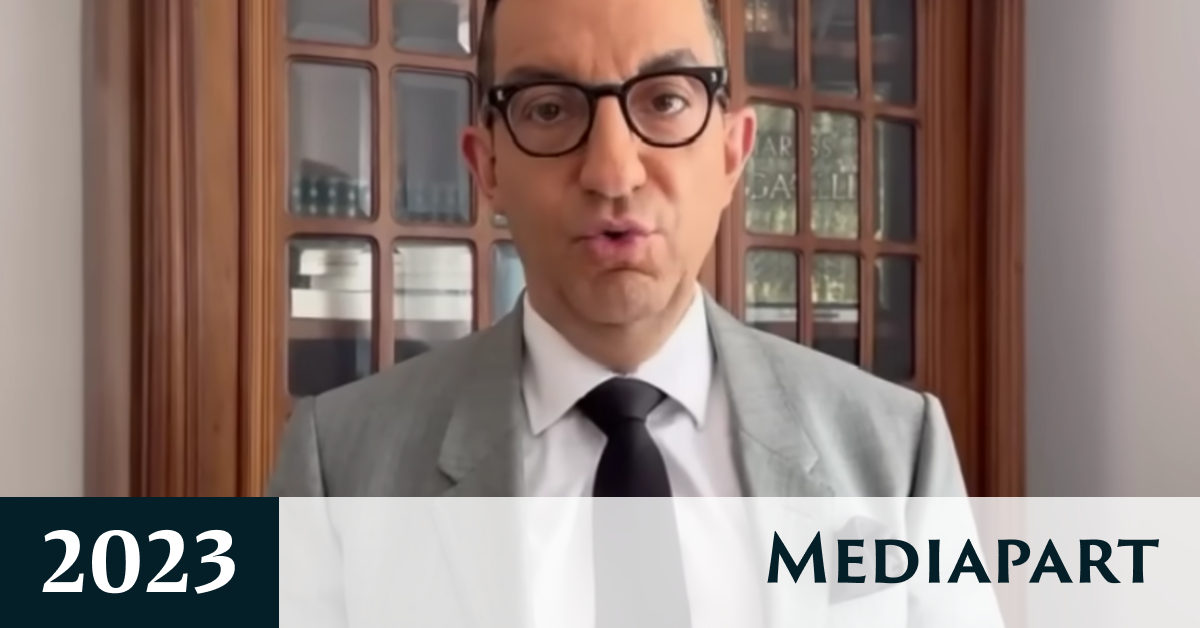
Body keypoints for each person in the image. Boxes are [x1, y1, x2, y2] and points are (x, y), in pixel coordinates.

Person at [268, 0, 968, 502]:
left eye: (664, 101)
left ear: (732, 154)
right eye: (549, 108)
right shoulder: (335, 466)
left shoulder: (899, 453)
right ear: (488, 167)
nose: (612, 172)